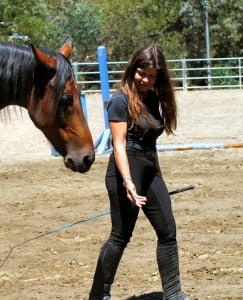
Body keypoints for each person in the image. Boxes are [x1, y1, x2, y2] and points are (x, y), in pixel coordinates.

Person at [88, 45, 189, 300]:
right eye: (141, 73)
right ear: (133, 69)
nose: (145, 79)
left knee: (168, 230)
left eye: (151, 76)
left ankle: (173, 293)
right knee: (120, 235)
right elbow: (119, 144)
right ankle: (99, 294)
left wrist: (158, 179)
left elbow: (150, 145)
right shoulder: (119, 100)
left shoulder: (153, 99)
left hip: (150, 170)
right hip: (125, 170)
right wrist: (128, 183)